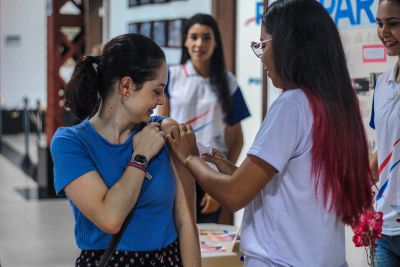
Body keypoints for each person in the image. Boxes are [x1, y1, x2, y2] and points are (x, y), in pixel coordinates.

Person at [166, 0, 373, 266]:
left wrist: (188, 157)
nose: (262, 55)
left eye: (264, 45)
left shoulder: (292, 104)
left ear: (288, 46)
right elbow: (286, 186)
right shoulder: (336, 103)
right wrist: (227, 166)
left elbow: (234, 196)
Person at [50, 33, 200, 267]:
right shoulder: (70, 143)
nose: (161, 100)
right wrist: (140, 158)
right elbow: (110, 218)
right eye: (156, 90)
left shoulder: (165, 131)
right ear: (126, 86)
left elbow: (186, 223)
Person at [158, 13, 251, 223]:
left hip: (212, 176)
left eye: (207, 37)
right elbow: (160, 126)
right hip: (177, 172)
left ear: (216, 42)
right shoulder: (171, 76)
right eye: (194, 37)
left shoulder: (229, 82)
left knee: (210, 246)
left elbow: (237, 139)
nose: (200, 43)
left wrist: (223, 181)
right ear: (185, 41)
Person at [369, 0, 400, 265]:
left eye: (393, 23)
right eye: (380, 23)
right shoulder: (382, 84)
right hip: (384, 227)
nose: (383, 32)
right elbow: (384, 145)